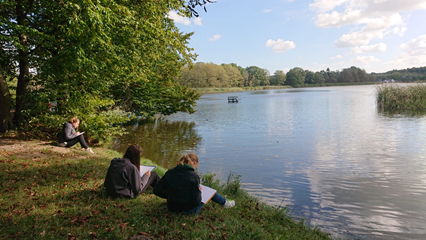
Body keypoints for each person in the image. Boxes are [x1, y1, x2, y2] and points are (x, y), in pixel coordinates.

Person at [153, 153, 235, 214]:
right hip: (188, 211)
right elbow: (197, 202)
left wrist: (170, 196)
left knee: (204, 189)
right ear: (194, 163)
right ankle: (226, 203)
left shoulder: (169, 173)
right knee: (209, 191)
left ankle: (225, 202)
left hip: (171, 208)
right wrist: (198, 191)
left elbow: (156, 191)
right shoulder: (193, 176)